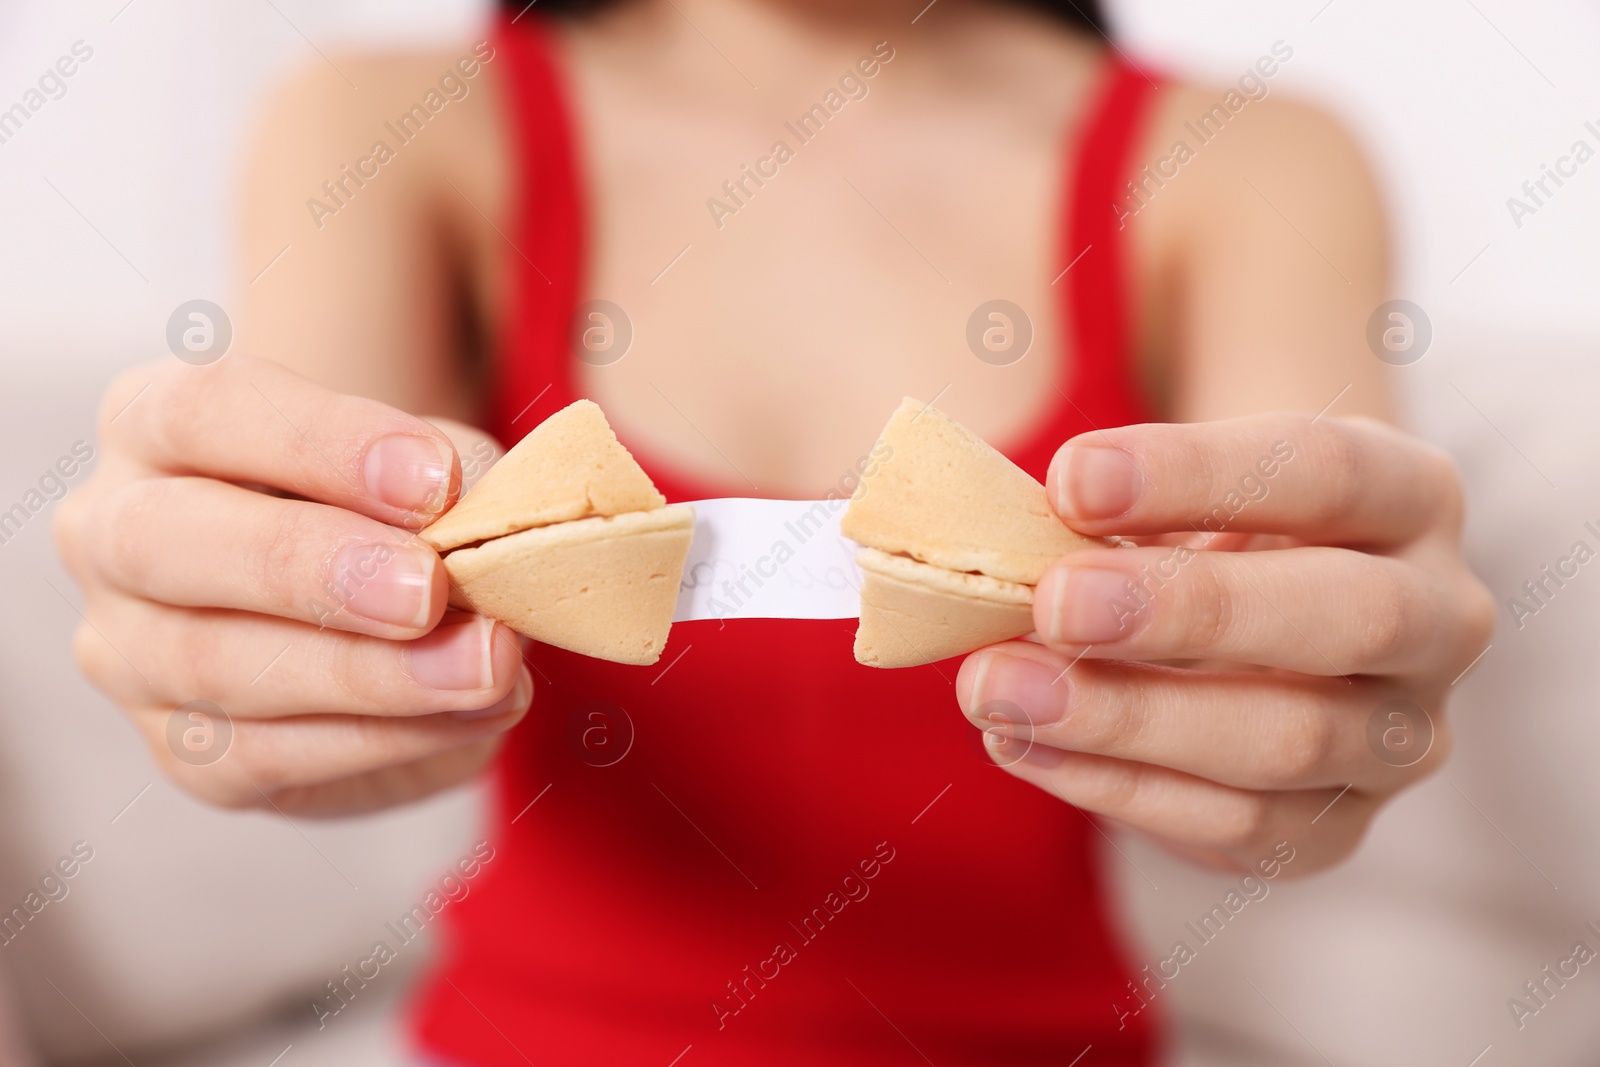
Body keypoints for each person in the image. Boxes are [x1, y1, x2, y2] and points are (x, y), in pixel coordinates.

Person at [54, 0, 1493, 1062]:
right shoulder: (387, 123)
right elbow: (314, 628)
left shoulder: (1249, 162)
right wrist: (242, 676)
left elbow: (1307, 700)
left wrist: (1326, 726)